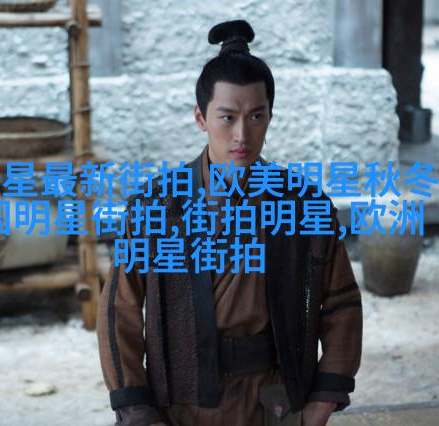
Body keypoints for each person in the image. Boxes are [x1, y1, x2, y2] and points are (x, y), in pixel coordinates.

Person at [97, 20, 363, 426]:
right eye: (227, 117)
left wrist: (320, 403)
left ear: (270, 116)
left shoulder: (303, 206)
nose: (242, 134)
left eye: (256, 116)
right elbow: (120, 314)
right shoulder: (156, 207)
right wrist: (137, 411)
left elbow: (342, 305)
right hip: (181, 407)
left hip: (275, 401)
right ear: (200, 118)